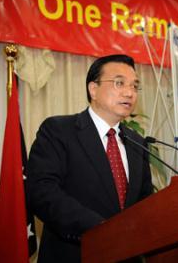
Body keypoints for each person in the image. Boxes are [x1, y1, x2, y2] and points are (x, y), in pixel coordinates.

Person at [26, 54, 153, 262]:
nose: (130, 92)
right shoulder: (59, 130)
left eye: (134, 86)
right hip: (74, 254)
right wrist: (101, 229)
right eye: (119, 83)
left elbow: (145, 202)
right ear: (93, 89)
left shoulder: (138, 143)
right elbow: (42, 191)